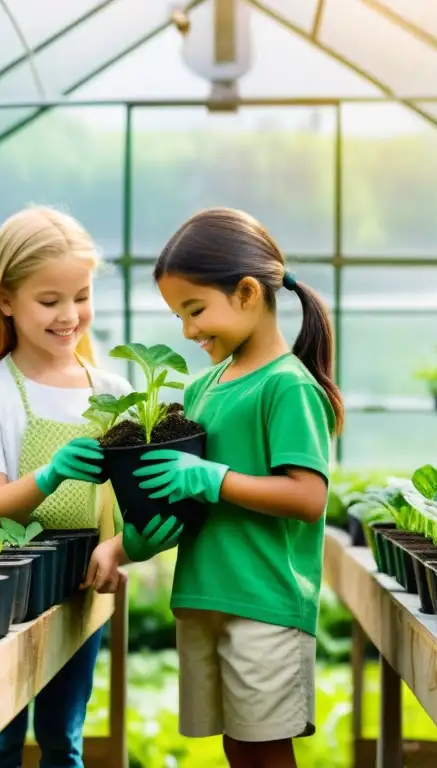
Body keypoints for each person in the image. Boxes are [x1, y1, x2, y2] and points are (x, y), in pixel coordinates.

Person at [101, 207, 344, 768]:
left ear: (247, 292)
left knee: (265, 747)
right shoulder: (206, 385)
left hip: (264, 601)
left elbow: (308, 499)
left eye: (195, 310)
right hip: (204, 593)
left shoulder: (287, 386)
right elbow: (187, 497)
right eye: (178, 315)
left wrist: (215, 479)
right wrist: (130, 543)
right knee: (237, 745)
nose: (188, 331)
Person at [0, 205, 131, 768]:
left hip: (76, 591)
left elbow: (126, 511)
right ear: (5, 300)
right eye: (49, 301)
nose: (69, 314)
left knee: (62, 740)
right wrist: (51, 475)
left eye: (82, 295)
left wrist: (117, 547)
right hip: (3, 589)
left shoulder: (114, 390)